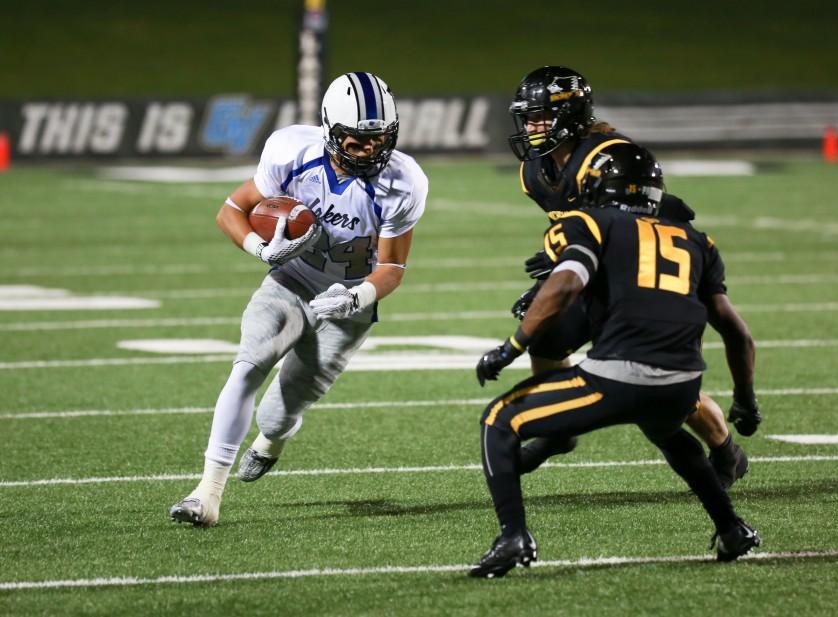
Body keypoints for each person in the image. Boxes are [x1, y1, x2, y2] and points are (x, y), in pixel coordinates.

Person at [470, 142, 760, 578]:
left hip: (618, 377)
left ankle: (514, 536)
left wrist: (512, 347)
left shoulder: (592, 221)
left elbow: (566, 284)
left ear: (599, 186)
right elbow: (736, 333)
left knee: (499, 419)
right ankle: (732, 529)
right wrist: (746, 400)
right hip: (682, 384)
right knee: (670, 434)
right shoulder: (698, 241)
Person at [169, 71, 428, 527]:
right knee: (250, 363)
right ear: (331, 131)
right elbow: (232, 211)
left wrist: (356, 298)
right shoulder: (292, 152)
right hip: (291, 278)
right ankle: (206, 494)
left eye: (379, 139)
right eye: (356, 141)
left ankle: (273, 440)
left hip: (349, 302)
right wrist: (261, 248)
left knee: (278, 412)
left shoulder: (403, 181)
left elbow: (392, 268)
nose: (371, 151)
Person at [504, 66, 760, 487]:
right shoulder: (537, 171)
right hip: (600, 271)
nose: (531, 127)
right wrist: (559, 269)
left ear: (569, 115)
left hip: (644, 276)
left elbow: (650, 221)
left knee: (653, 382)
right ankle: (559, 429)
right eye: (528, 118)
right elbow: (587, 231)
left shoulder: (609, 157)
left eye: (540, 117)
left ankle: (725, 449)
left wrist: (570, 257)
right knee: (544, 331)